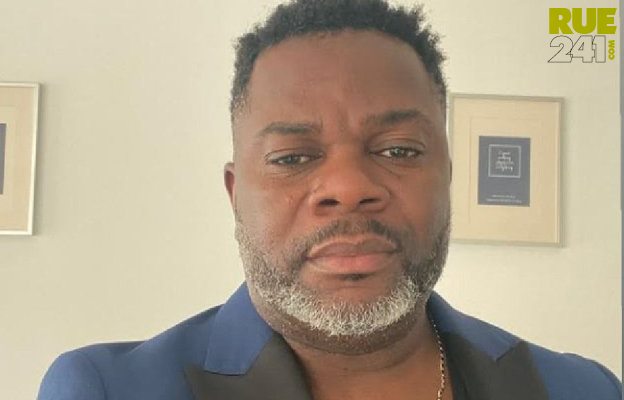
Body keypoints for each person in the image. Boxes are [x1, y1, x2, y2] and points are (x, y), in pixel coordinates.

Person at [37, 1, 621, 399]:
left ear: (446, 177)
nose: (348, 187)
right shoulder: (107, 389)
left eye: (398, 150)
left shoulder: (581, 389)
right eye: (293, 158)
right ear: (236, 195)